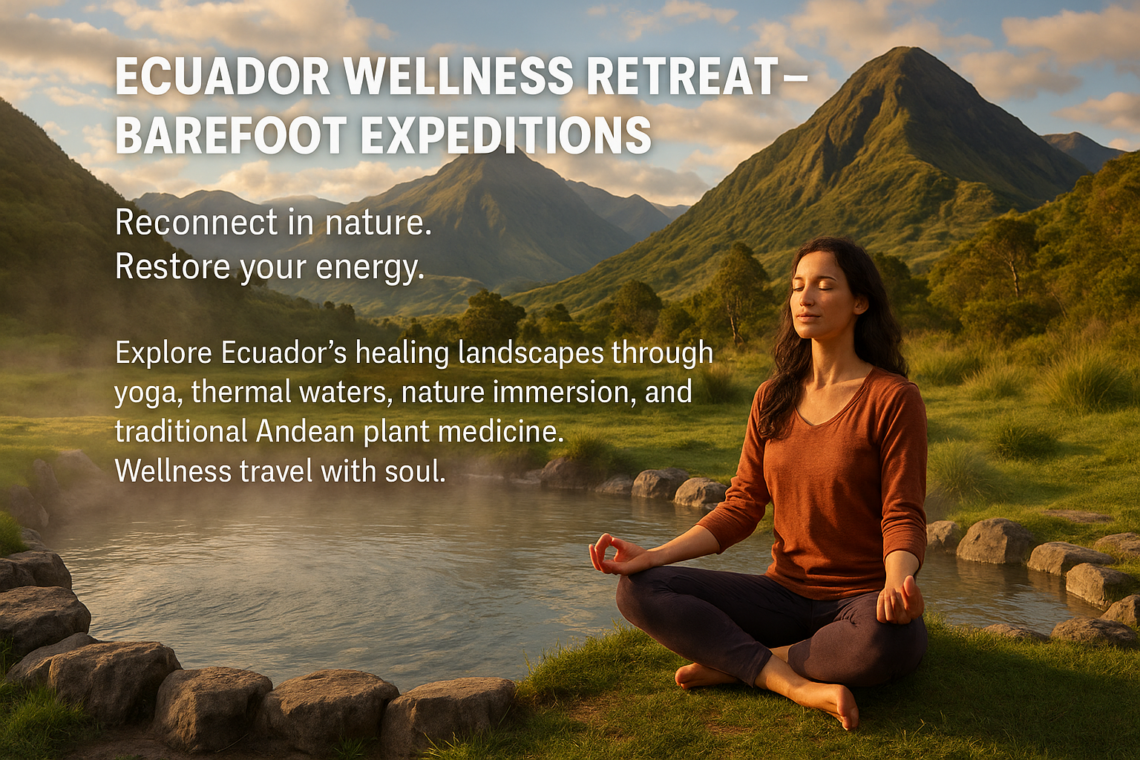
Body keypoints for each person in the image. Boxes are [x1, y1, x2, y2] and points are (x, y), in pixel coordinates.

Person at [589, 236, 927, 731]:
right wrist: (654, 555)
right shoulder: (772, 397)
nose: (805, 298)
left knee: (888, 640)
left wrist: (898, 584)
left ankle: (739, 662)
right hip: (782, 595)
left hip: (859, 598)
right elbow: (743, 504)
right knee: (638, 590)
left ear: (860, 302)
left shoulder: (893, 398)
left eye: (823, 286)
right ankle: (784, 678)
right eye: (797, 287)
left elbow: (902, 511)